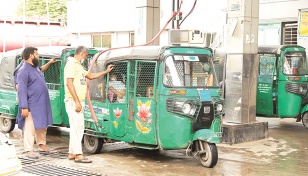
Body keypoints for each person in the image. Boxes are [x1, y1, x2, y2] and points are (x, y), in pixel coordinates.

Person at [64, 46, 113, 163]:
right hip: (73, 101)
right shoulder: (71, 64)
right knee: (78, 128)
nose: (85, 58)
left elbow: (89, 76)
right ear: (82, 54)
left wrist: (106, 72)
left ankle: (72, 152)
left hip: (78, 100)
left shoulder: (78, 65)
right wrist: (76, 101)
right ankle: (78, 154)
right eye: (85, 56)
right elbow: (69, 83)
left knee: (77, 127)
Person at [16, 47, 54, 159]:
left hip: (41, 103)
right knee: (30, 127)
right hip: (31, 104)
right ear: (31, 55)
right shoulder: (23, 70)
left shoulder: (35, 68)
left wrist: (50, 63)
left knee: (42, 125)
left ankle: (42, 145)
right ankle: (29, 149)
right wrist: (24, 106)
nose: (38, 56)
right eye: (37, 54)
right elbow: (21, 89)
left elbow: (42, 69)